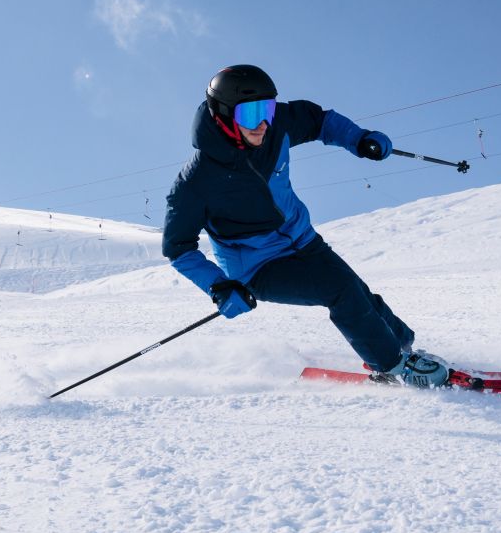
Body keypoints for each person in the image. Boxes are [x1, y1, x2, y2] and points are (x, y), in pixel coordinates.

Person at [162, 64, 450, 387]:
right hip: (257, 266)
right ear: (224, 115)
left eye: (267, 110)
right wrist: (219, 286)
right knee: (338, 290)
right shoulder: (196, 182)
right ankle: (393, 365)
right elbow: (177, 248)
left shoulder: (276, 126)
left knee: (356, 289)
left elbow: (320, 121)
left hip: (303, 239)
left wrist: (359, 139)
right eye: (249, 114)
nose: (261, 124)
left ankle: (401, 346)